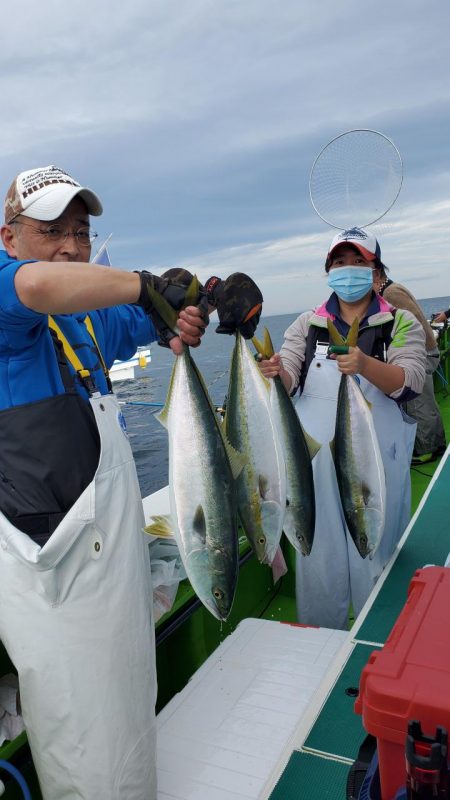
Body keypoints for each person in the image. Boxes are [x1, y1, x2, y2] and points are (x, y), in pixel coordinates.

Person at [0, 165, 262, 799]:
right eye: (50, 230)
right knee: (79, 724)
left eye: (82, 232)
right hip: (49, 565)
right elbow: (38, 286)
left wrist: (203, 295)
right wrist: (144, 285)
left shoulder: (89, 322)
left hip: (107, 544)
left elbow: (156, 318)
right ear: (9, 238)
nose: (70, 245)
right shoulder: (13, 291)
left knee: (126, 693)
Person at [258, 226, 426, 630]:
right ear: (328, 269)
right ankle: (318, 644)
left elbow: (411, 381)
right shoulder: (306, 325)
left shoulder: (399, 323)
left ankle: (382, 645)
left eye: (359, 262)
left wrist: (364, 364)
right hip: (313, 471)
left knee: (379, 558)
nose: (348, 269)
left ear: (376, 271)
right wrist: (273, 372)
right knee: (317, 559)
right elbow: (291, 378)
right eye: (339, 262)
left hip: (377, 469)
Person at [373, 264, 446, 464]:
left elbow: (413, 327)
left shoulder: (391, 294)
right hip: (423, 351)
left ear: (377, 276)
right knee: (426, 402)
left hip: (419, 354)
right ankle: (437, 444)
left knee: (418, 403)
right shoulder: (391, 290)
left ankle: (427, 449)